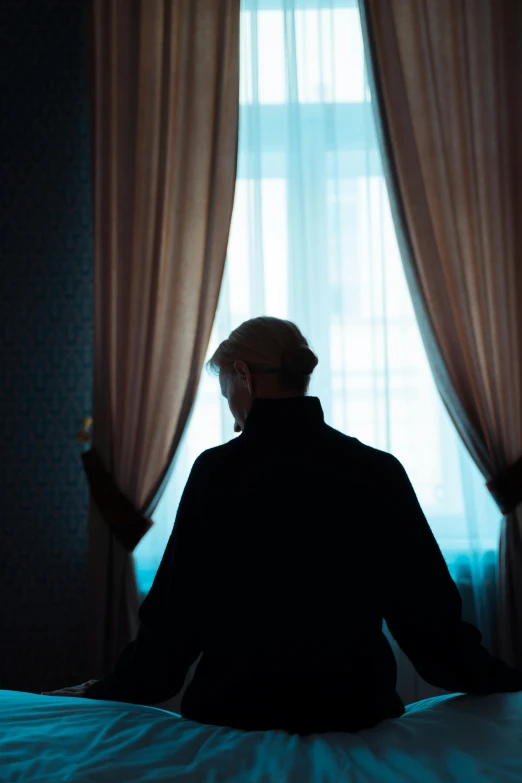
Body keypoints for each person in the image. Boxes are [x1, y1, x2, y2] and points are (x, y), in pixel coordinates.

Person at [43, 316, 522, 734]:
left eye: (225, 385)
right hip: (354, 711)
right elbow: (430, 625)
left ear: (244, 376)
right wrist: (504, 681)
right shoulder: (376, 470)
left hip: (235, 714)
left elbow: (173, 626)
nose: (227, 398)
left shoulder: (217, 473)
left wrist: (106, 690)